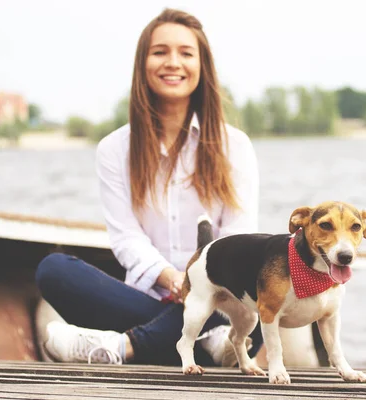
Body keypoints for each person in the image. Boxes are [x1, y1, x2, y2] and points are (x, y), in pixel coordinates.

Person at [35, 8, 263, 366]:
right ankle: (207, 345)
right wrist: (172, 279)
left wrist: (198, 284)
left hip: (218, 298)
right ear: (143, 63)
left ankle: (122, 348)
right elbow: (126, 238)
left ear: (202, 66)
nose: (173, 62)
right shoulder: (114, 149)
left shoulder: (235, 146)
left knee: (258, 298)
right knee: (54, 270)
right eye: (160, 52)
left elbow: (238, 237)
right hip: (143, 301)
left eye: (186, 53)